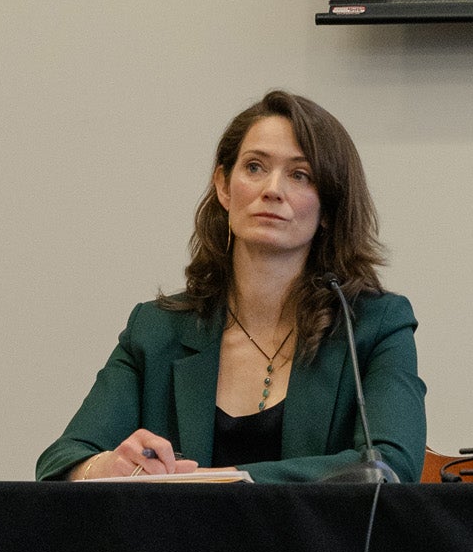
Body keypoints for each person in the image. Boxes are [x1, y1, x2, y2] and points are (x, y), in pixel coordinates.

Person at [37, 90, 426, 483]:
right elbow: (60, 460)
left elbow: (389, 465)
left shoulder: (375, 326)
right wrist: (99, 467)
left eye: (299, 174)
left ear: (329, 206)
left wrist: (221, 481)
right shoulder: (156, 330)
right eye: (255, 167)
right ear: (224, 187)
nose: (272, 189)